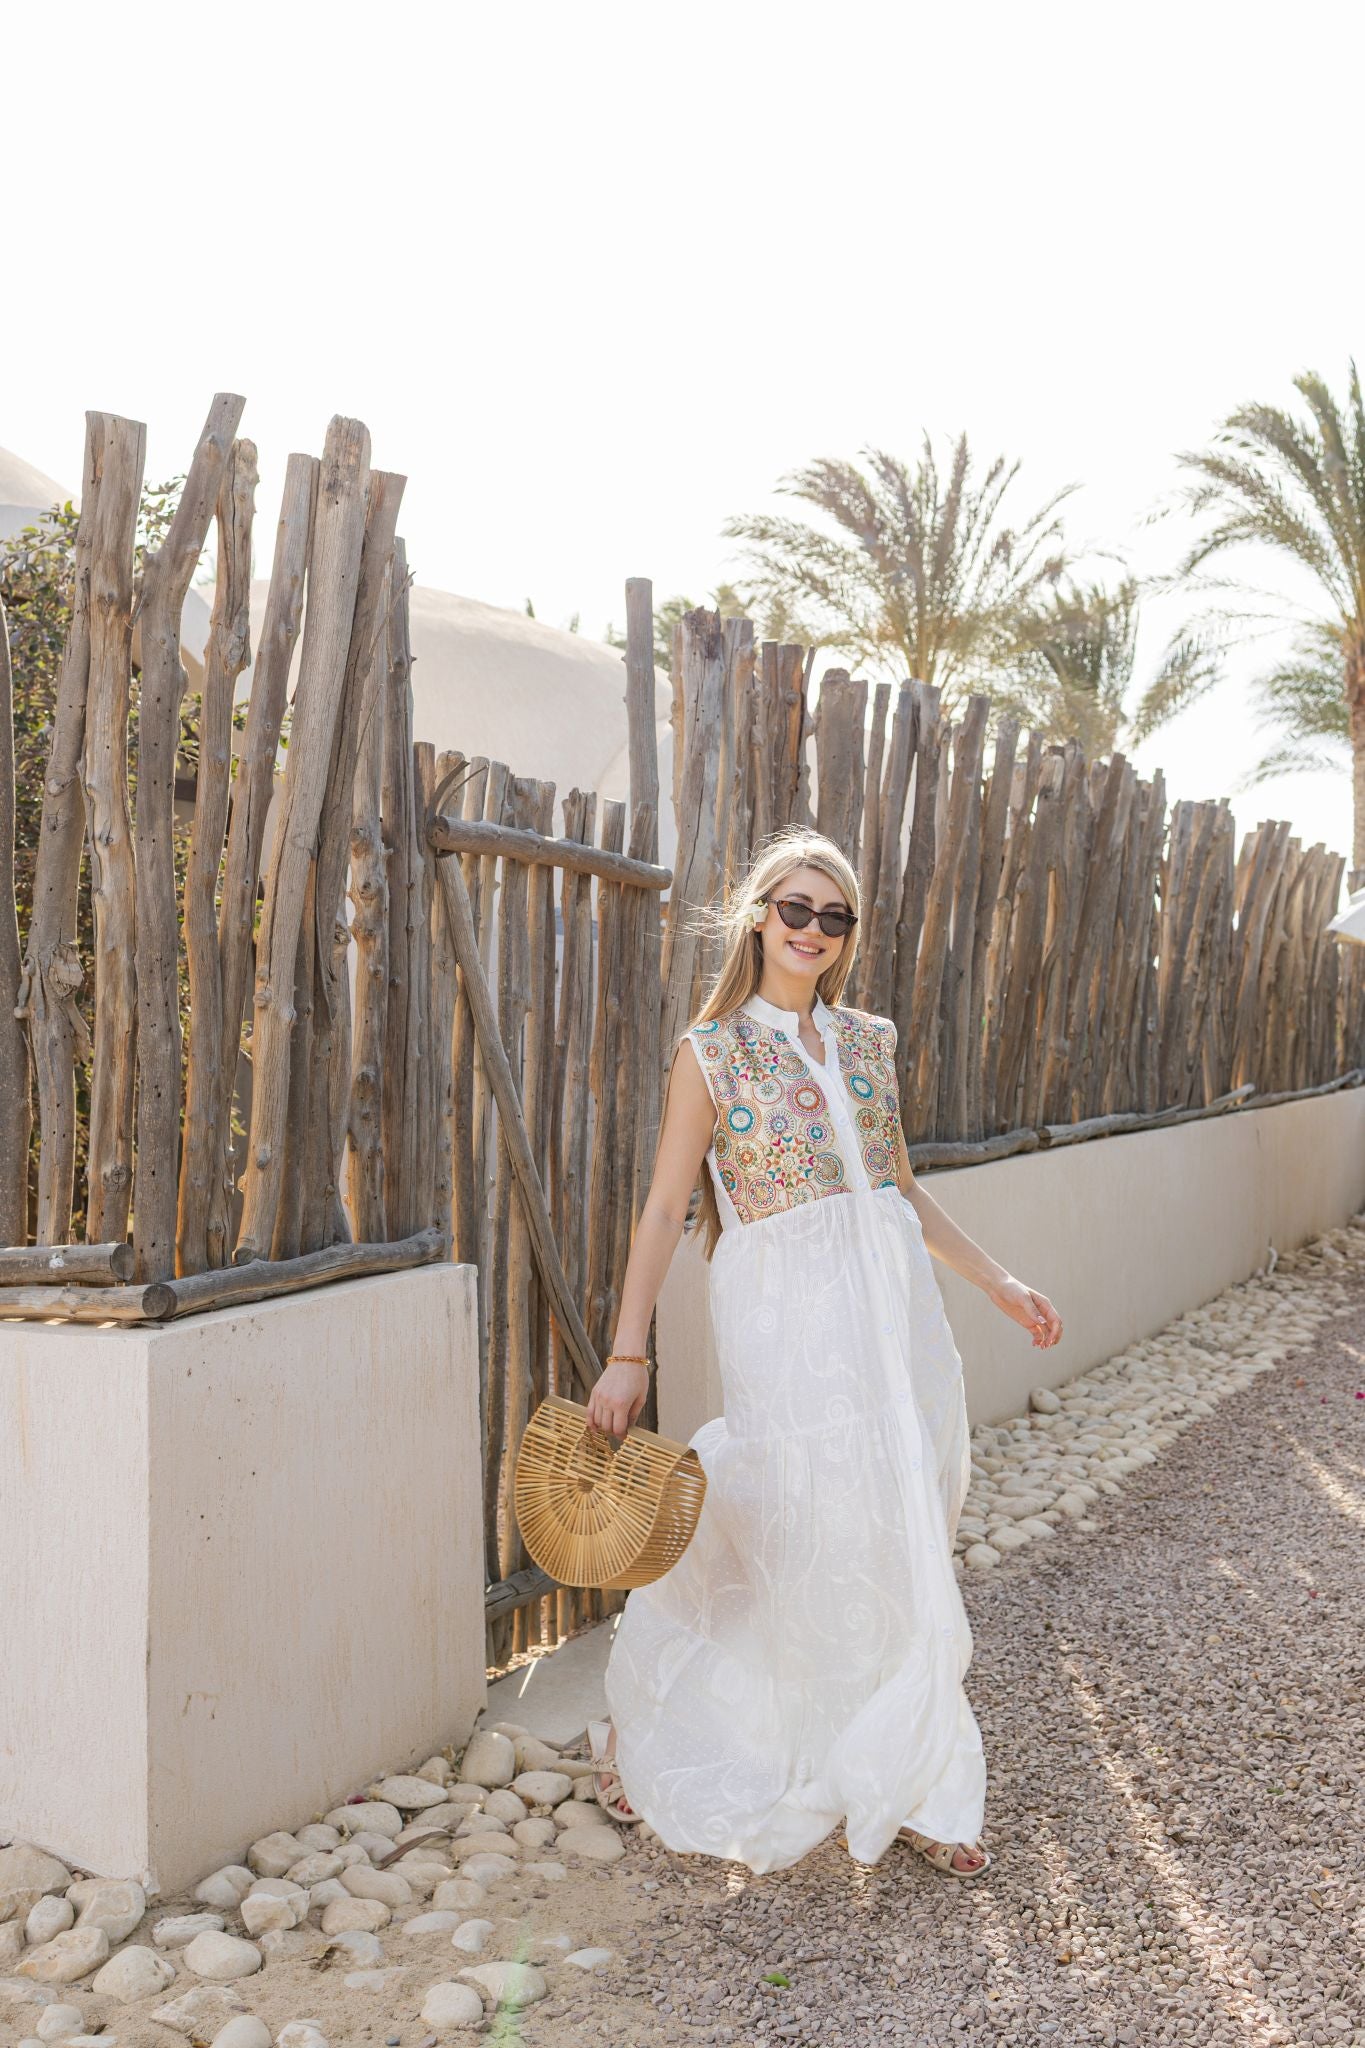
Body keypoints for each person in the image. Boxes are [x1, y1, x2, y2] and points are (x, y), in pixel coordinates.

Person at [583, 827, 1062, 1878]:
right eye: (794, 907)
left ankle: (919, 1776)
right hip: (784, 1308)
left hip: (890, 1311)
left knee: (902, 1515)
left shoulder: (869, 1040)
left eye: (832, 916)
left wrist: (1000, 1280)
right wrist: (629, 1351)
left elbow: (897, 1183)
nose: (811, 929)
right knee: (792, 1512)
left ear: (847, 936)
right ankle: (656, 1719)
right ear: (759, 914)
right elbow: (668, 1206)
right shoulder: (712, 1051)